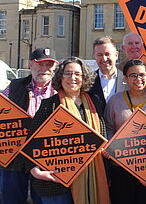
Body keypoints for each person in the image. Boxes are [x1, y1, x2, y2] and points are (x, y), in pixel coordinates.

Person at [27, 57, 110, 204]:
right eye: (68, 73)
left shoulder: (94, 102)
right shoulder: (49, 105)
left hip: (91, 179)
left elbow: (101, 136)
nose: (73, 78)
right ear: (60, 76)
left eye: (77, 74)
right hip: (56, 183)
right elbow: (31, 142)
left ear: (84, 77)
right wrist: (35, 170)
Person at [105, 59, 146, 204]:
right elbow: (109, 127)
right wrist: (111, 147)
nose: (138, 79)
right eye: (133, 75)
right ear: (125, 78)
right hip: (120, 168)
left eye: (142, 75)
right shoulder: (115, 100)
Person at [0, 48, 58, 204]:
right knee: (11, 198)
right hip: (14, 154)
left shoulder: (61, 89)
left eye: (49, 65)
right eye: (40, 64)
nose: (45, 69)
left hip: (45, 155)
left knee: (43, 200)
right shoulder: (14, 86)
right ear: (30, 65)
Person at [89, 36, 127, 107]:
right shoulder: (88, 81)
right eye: (99, 55)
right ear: (95, 56)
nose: (104, 59)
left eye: (107, 54)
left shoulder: (127, 80)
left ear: (116, 55)